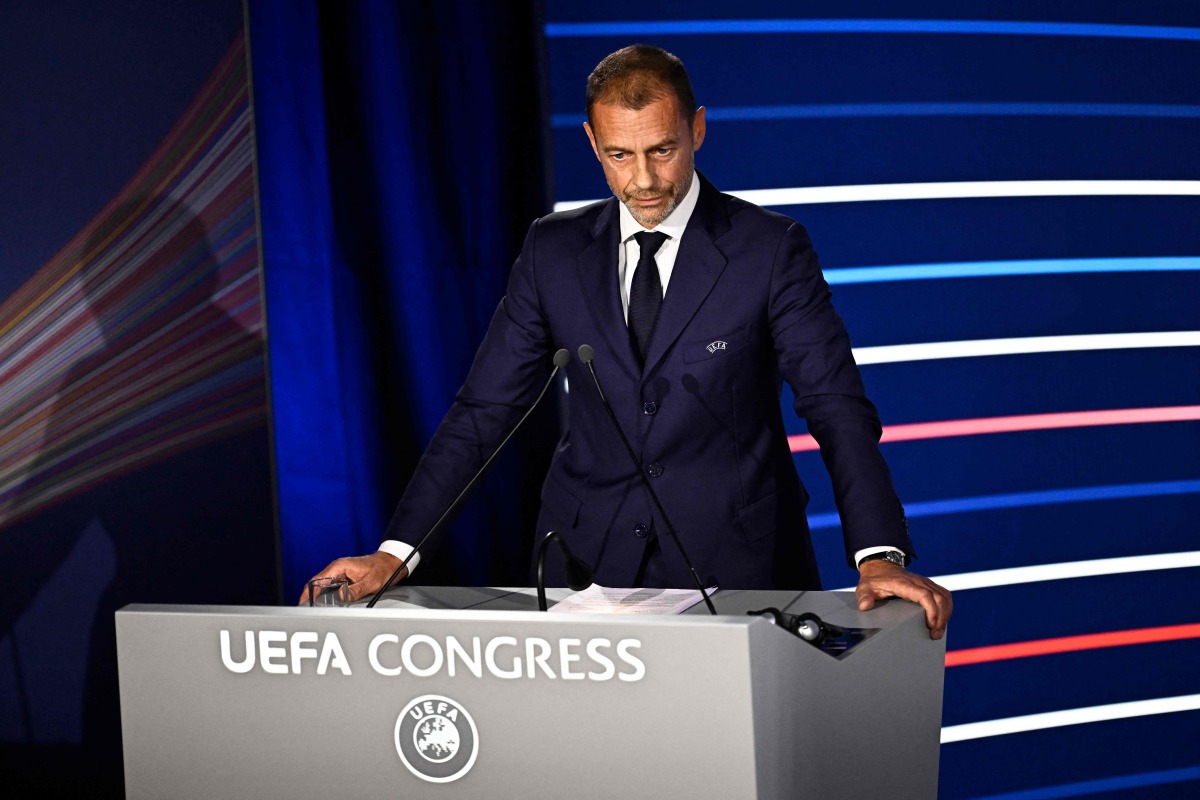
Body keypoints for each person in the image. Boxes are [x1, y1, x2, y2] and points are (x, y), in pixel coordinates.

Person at [304, 44, 951, 638]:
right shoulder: (551, 251)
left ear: (697, 129)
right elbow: (485, 411)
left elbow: (836, 407)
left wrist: (878, 553)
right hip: (586, 570)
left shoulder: (770, 250)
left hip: (739, 571)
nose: (643, 180)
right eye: (619, 155)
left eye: (662, 150)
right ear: (591, 142)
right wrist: (395, 552)